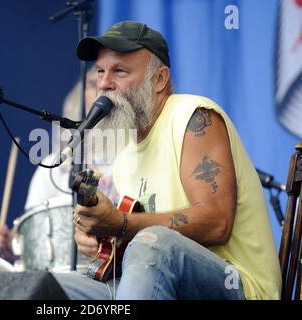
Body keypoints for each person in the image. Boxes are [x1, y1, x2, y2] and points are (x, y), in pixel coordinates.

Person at [52, 21, 282, 300]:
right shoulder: (125, 154)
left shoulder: (194, 117)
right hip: (166, 282)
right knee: (54, 287)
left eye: (119, 71)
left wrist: (120, 222)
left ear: (159, 79)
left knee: (154, 244)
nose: (103, 84)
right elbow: (140, 253)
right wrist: (104, 237)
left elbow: (216, 223)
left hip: (241, 287)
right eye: (100, 72)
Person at [0, 67, 119, 263]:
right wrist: (11, 249)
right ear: (79, 98)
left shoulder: (135, 158)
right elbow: (34, 235)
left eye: (110, 85)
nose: (101, 89)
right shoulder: (53, 166)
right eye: (93, 84)